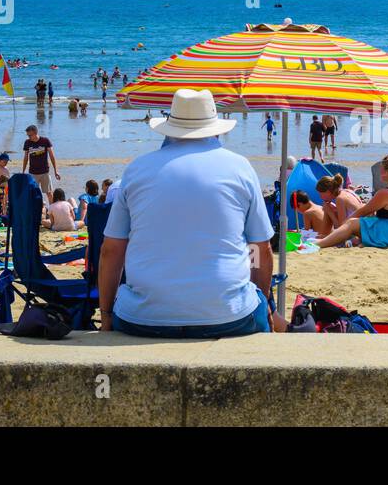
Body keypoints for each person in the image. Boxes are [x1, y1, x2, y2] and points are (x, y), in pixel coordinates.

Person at [98, 88, 278, 337]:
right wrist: (260, 298)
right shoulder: (240, 167)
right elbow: (260, 247)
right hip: (229, 316)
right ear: (216, 128)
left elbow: (111, 250)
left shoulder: (137, 169)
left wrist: (106, 314)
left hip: (142, 318)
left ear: (168, 128)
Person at [315, 154, 388, 249]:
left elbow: (362, 211)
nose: (380, 172)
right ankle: (330, 239)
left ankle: (319, 244)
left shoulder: (386, 193)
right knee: (361, 222)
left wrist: (344, 225)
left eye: (381, 169)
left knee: (351, 223)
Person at [22, 125, 60, 196]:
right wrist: (23, 171)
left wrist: (55, 171)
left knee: (49, 193)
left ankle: (51, 207)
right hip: (33, 172)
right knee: (33, 194)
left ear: (36, 132)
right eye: (28, 135)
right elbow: (25, 158)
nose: (29, 137)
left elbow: (52, 156)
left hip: (44, 172)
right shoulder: (27, 142)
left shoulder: (45, 141)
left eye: (30, 135)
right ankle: (37, 207)